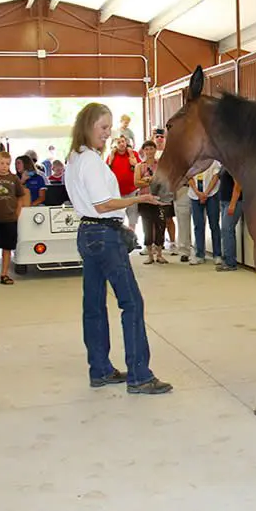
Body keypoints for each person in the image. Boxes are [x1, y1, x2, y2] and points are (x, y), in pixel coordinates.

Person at [65, 102, 172, 394]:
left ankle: (99, 369)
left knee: (94, 304)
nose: (108, 133)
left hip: (88, 234)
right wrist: (140, 199)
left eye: (109, 127)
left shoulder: (75, 158)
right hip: (104, 234)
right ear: (88, 126)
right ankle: (140, 376)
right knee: (131, 303)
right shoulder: (90, 161)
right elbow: (103, 205)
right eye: (103, 127)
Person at [0, 151, 26, 286]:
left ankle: (4, 274)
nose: (4, 166)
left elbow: (20, 196)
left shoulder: (14, 179)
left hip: (10, 219)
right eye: (2, 163)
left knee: (7, 248)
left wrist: (17, 212)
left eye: (7, 164)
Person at [134, 140, 168, 265]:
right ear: (143, 151)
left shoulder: (161, 165)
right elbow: (136, 182)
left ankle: (159, 254)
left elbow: (163, 181)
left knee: (160, 226)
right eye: (146, 149)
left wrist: (146, 180)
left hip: (159, 199)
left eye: (151, 149)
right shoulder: (139, 166)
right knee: (147, 227)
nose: (149, 151)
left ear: (155, 150)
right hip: (144, 199)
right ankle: (149, 255)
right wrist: (151, 181)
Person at [188, 159, 222, 265]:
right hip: (195, 195)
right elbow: (188, 177)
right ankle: (199, 255)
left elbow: (216, 176)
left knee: (214, 225)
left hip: (211, 194)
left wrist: (206, 193)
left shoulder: (213, 161)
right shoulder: (192, 160)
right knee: (198, 225)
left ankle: (217, 254)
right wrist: (197, 192)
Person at [106, 135, 141, 231]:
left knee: (133, 217)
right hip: (117, 193)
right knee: (118, 218)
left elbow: (142, 170)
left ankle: (132, 236)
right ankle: (120, 237)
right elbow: (106, 172)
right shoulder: (111, 156)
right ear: (115, 145)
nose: (121, 144)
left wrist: (135, 163)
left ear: (126, 142)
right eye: (119, 142)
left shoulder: (133, 154)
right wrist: (110, 159)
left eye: (123, 141)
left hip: (132, 191)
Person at [217, 167, 243, 272]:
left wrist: (232, 204)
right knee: (225, 231)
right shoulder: (224, 165)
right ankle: (227, 259)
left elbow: (238, 185)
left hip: (232, 202)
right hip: (224, 201)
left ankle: (230, 262)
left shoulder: (234, 165)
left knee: (227, 230)